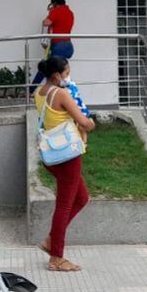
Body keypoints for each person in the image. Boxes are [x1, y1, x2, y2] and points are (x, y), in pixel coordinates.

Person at [34, 55, 95, 272]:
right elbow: (85, 122)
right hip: (68, 155)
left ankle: (52, 240)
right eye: (67, 73)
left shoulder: (39, 93)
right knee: (64, 205)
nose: (69, 76)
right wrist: (90, 123)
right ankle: (56, 258)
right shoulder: (61, 93)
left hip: (52, 154)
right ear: (57, 75)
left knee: (82, 197)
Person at [31, 0, 75, 86]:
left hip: (58, 46)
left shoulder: (56, 10)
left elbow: (46, 22)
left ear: (55, 3)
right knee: (59, 70)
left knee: (46, 67)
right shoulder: (70, 13)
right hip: (68, 46)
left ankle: (31, 89)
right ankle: (64, 90)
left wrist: (50, 13)